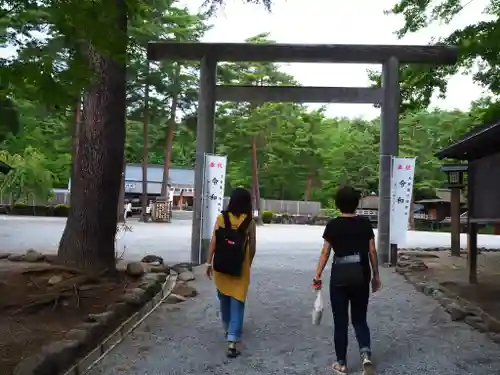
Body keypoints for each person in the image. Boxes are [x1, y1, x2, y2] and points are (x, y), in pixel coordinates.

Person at [313, 186, 381, 375]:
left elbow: (326, 252)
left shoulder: (333, 225)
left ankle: (341, 364)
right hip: (361, 275)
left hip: (339, 278)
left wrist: (317, 274)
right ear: (356, 204)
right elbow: (372, 251)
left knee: (340, 321)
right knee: (360, 319)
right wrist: (376, 276)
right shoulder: (365, 223)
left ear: (337, 204)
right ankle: (366, 355)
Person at [205, 187, 257, 358]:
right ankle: (233, 342)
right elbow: (253, 247)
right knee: (238, 301)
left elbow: (213, 241)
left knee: (224, 299)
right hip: (240, 268)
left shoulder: (221, 218)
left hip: (221, 266)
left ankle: (228, 329)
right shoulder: (249, 221)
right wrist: (247, 264)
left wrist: (208, 262)